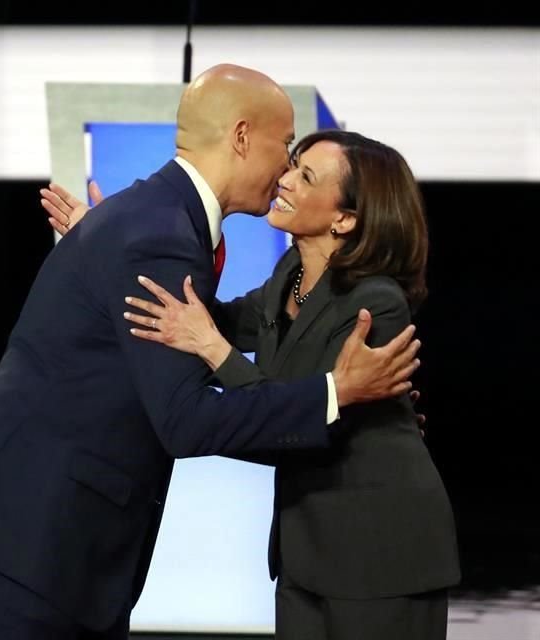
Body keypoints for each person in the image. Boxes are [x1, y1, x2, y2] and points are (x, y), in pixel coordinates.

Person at [0, 64, 421, 640]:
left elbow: (207, 327)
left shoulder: (148, 218)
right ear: (240, 137)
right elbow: (186, 420)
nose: (284, 168)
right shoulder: (158, 234)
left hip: (41, 533)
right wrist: (337, 394)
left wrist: (104, 258)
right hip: (34, 538)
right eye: (285, 148)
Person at [50, 130, 460, 639]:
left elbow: (301, 410)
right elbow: (204, 319)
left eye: (305, 176)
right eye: (290, 165)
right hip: (305, 550)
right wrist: (112, 247)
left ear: (346, 218)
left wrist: (213, 350)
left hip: (381, 548)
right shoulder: (290, 276)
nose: (283, 180)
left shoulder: (375, 305)